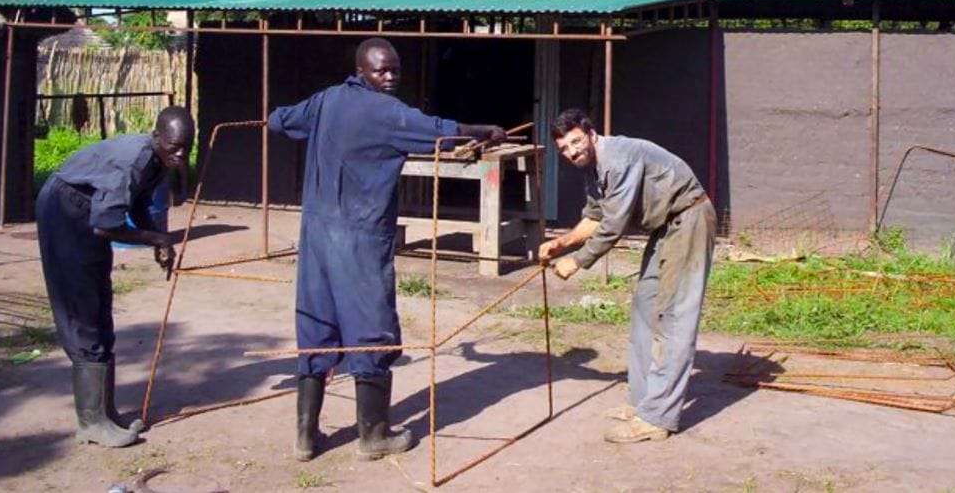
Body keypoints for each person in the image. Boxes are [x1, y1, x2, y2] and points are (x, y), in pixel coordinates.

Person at [268, 37, 507, 462]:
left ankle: (305, 438)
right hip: (359, 239)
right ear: (362, 70)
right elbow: (440, 132)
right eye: (382, 71)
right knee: (370, 329)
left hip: (316, 235)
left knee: (317, 324)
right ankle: (373, 437)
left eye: (395, 69)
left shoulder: (325, 101)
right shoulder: (387, 113)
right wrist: (484, 131)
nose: (391, 77)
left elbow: (278, 121)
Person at [539, 108, 716, 444]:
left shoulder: (617, 158)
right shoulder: (592, 168)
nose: (572, 151)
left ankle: (658, 417)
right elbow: (595, 216)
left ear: (590, 135)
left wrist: (577, 262)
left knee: (673, 317)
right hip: (665, 227)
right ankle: (643, 401)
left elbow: (614, 224)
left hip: (689, 217)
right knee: (645, 308)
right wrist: (559, 244)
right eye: (564, 149)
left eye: (576, 142)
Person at [36, 106, 194, 447]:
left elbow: (135, 206)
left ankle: (106, 412)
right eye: (174, 147)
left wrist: (157, 239)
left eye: (187, 147)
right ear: (156, 138)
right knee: (83, 310)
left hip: (87, 211)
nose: (181, 154)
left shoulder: (157, 161)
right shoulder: (134, 160)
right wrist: (157, 238)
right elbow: (106, 225)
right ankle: (91, 422)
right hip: (65, 210)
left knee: (99, 302)